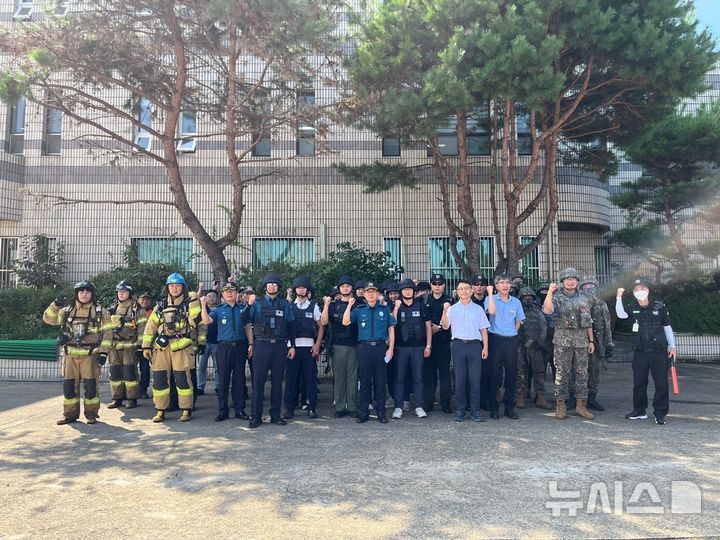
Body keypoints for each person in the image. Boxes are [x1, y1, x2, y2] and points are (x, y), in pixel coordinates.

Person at [44, 281, 113, 425]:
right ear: (76, 294)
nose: (84, 294)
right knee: (69, 387)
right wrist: (55, 305)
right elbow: (49, 319)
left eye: (87, 291)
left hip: (90, 356)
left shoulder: (100, 312)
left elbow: (108, 333)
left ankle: (91, 414)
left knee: (90, 387)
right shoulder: (67, 310)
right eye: (81, 291)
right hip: (70, 356)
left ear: (92, 294)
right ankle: (70, 415)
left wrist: (104, 353)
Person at [142, 273, 202, 423]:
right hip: (162, 348)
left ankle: (186, 409)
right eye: (171, 285)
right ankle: (160, 410)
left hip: (182, 347)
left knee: (183, 380)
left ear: (183, 287)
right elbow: (151, 326)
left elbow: (195, 321)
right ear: (167, 288)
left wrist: (194, 298)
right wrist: (146, 346)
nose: (174, 288)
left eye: (178, 285)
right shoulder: (161, 305)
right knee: (159, 379)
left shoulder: (190, 302)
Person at [616, 278, 677, 425]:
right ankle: (639, 411)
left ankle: (660, 413)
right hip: (640, 352)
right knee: (639, 382)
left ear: (648, 290)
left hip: (659, 351)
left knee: (661, 383)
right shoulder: (632, 307)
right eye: (636, 290)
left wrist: (672, 346)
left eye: (642, 289)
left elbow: (667, 327)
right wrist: (618, 297)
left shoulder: (659, 307)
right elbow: (621, 314)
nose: (639, 292)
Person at [241, 273, 296, 428]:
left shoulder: (285, 304)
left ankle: (276, 414)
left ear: (279, 287)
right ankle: (256, 416)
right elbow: (244, 320)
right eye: (269, 284)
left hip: (279, 346)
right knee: (258, 382)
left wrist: (292, 346)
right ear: (265, 287)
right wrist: (249, 304)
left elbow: (291, 326)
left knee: (278, 382)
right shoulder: (256, 303)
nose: (272, 286)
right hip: (261, 345)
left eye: (275, 284)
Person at [542, 267, 596, 420]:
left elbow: (588, 322)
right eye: (567, 279)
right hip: (562, 341)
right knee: (561, 373)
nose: (570, 282)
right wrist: (550, 292)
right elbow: (547, 310)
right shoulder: (557, 297)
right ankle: (561, 405)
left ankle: (581, 405)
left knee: (582, 374)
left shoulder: (584, 299)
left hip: (581, 341)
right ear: (562, 282)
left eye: (573, 279)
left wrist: (591, 340)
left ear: (577, 282)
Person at [343, 281, 396, 424]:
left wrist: (390, 348)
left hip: (380, 348)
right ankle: (363, 412)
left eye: (373, 292)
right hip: (364, 348)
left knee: (380, 382)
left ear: (377, 294)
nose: (371, 294)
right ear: (364, 295)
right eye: (368, 292)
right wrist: (349, 305)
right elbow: (346, 322)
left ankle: (381, 413)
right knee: (365, 381)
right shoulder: (359, 309)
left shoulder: (384, 310)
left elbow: (391, 329)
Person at [441, 278, 490, 422]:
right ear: (457, 292)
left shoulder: (478, 309)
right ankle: (461, 410)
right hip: (458, 346)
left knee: (475, 380)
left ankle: (475, 410)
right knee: (460, 379)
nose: (464, 291)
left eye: (466, 288)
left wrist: (485, 347)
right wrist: (444, 311)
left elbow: (483, 330)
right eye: (461, 289)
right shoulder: (452, 309)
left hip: (475, 346)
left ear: (471, 290)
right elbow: (444, 326)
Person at [200, 283, 249, 422]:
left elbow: (247, 327)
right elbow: (206, 320)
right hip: (223, 348)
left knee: (239, 379)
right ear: (222, 295)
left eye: (232, 291)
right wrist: (203, 305)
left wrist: (251, 344)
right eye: (226, 291)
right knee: (223, 380)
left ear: (236, 294)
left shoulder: (242, 309)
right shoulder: (218, 310)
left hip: (240, 347)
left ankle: (240, 409)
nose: (229, 293)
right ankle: (223, 410)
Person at [485, 274, 525, 419]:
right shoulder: (490, 299)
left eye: (507, 283)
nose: (505, 285)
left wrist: (512, 332)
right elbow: (492, 312)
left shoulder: (516, 302)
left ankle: (509, 408)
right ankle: (494, 408)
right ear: (496, 286)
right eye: (501, 283)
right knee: (494, 375)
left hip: (510, 341)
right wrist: (490, 293)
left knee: (511, 375)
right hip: (495, 340)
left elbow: (519, 321)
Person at [284, 276, 324, 419]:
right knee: (291, 379)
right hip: (292, 348)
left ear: (307, 290)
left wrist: (318, 344)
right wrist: (289, 345)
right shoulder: (289, 306)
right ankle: (289, 408)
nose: (301, 289)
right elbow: (286, 327)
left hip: (309, 347)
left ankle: (312, 407)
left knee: (310, 379)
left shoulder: (314, 306)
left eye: (303, 287)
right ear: (295, 290)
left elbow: (321, 327)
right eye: (298, 287)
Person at [391, 278, 431, 419]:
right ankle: (398, 406)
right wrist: (396, 307)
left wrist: (428, 346)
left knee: (418, 377)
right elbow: (392, 324)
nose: (407, 292)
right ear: (401, 292)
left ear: (414, 292)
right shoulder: (396, 306)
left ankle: (419, 406)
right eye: (404, 289)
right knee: (399, 377)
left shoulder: (421, 306)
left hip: (418, 347)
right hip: (400, 347)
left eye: (410, 289)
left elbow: (428, 326)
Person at [321, 275, 359, 418]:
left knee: (353, 377)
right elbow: (324, 322)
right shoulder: (333, 305)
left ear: (352, 288)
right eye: (342, 286)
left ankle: (353, 407)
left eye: (348, 286)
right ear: (339, 288)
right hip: (337, 345)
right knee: (339, 378)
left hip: (354, 345)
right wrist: (326, 304)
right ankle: (340, 407)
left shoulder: (358, 304)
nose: (345, 288)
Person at [107, 280, 143, 409]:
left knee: (129, 374)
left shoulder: (136, 308)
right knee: (115, 374)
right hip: (114, 347)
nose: (121, 294)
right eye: (119, 292)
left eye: (124, 291)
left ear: (130, 293)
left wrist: (140, 345)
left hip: (129, 346)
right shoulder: (113, 308)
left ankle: (131, 399)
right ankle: (117, 398)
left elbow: (142, 327)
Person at [581, 276, 614, 411]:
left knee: (594, 372)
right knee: (577, 371)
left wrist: (609, 344)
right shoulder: (578, 303)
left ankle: (592, 399)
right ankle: (576, 399)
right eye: (586, 286)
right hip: (580, 342)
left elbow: (607, 324)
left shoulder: (601, 304)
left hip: (597, 343)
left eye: (592, 286)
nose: (589, 288)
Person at [422, 273, 453, 413]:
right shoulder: (424, 299)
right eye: (434, 283)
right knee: (428, 374)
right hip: (428, 342)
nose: (437, 286)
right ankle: (428, 402)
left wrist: (439, 327)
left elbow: (453, 320)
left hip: (443, 342)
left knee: (445, 374)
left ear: (444, 285)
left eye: (440, 283)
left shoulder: (450, 300)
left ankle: (446, 403)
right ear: (431, 285)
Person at [517, 287, 552, 409]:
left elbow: (543, 327)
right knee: (520, 371)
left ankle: (540, 396)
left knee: (539, 371)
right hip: (520, 346)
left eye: (530, 297)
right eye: (525, 297)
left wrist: (539, 342)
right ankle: (520, 395)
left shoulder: (538, 311)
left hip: (536, 347)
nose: (527, 299)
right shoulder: (517, 310)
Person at [197, 289, 218, 396]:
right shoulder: (202, 309)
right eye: (209, 296)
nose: (211, 298)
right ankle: (200, 387)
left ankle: (218, 386)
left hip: (216, 342)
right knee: (201, 367)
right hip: (203, 343)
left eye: (213, 296)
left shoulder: (219, 310)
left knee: (217, 367)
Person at [135, 292, 153, 399]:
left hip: (146, 346)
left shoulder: (152, 312)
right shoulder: (133, 312)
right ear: (138, 300)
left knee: (145, 369)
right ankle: (132, 391)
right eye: (142, 299)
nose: (144, 301)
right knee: (131, 369)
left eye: (147, 300)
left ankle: (143, 390)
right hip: (133, 345)